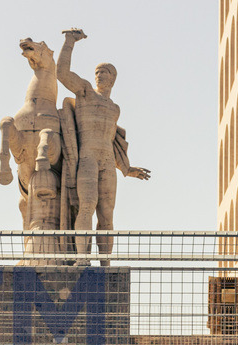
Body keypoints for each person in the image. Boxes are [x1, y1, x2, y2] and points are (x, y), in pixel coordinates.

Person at [57, 28, 150, 264]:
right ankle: (82, 258)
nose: (99, 75)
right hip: (87, 158)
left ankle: (106, 263)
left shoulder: (114, 108)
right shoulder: (86, 91)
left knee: (107, 215)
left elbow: (113, 142)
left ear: (113, 78)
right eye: (97, 71)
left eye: (105, 72)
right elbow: (62, 73)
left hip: (108, 161)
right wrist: (69, 42)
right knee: (87, 205)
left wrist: (127, 169)